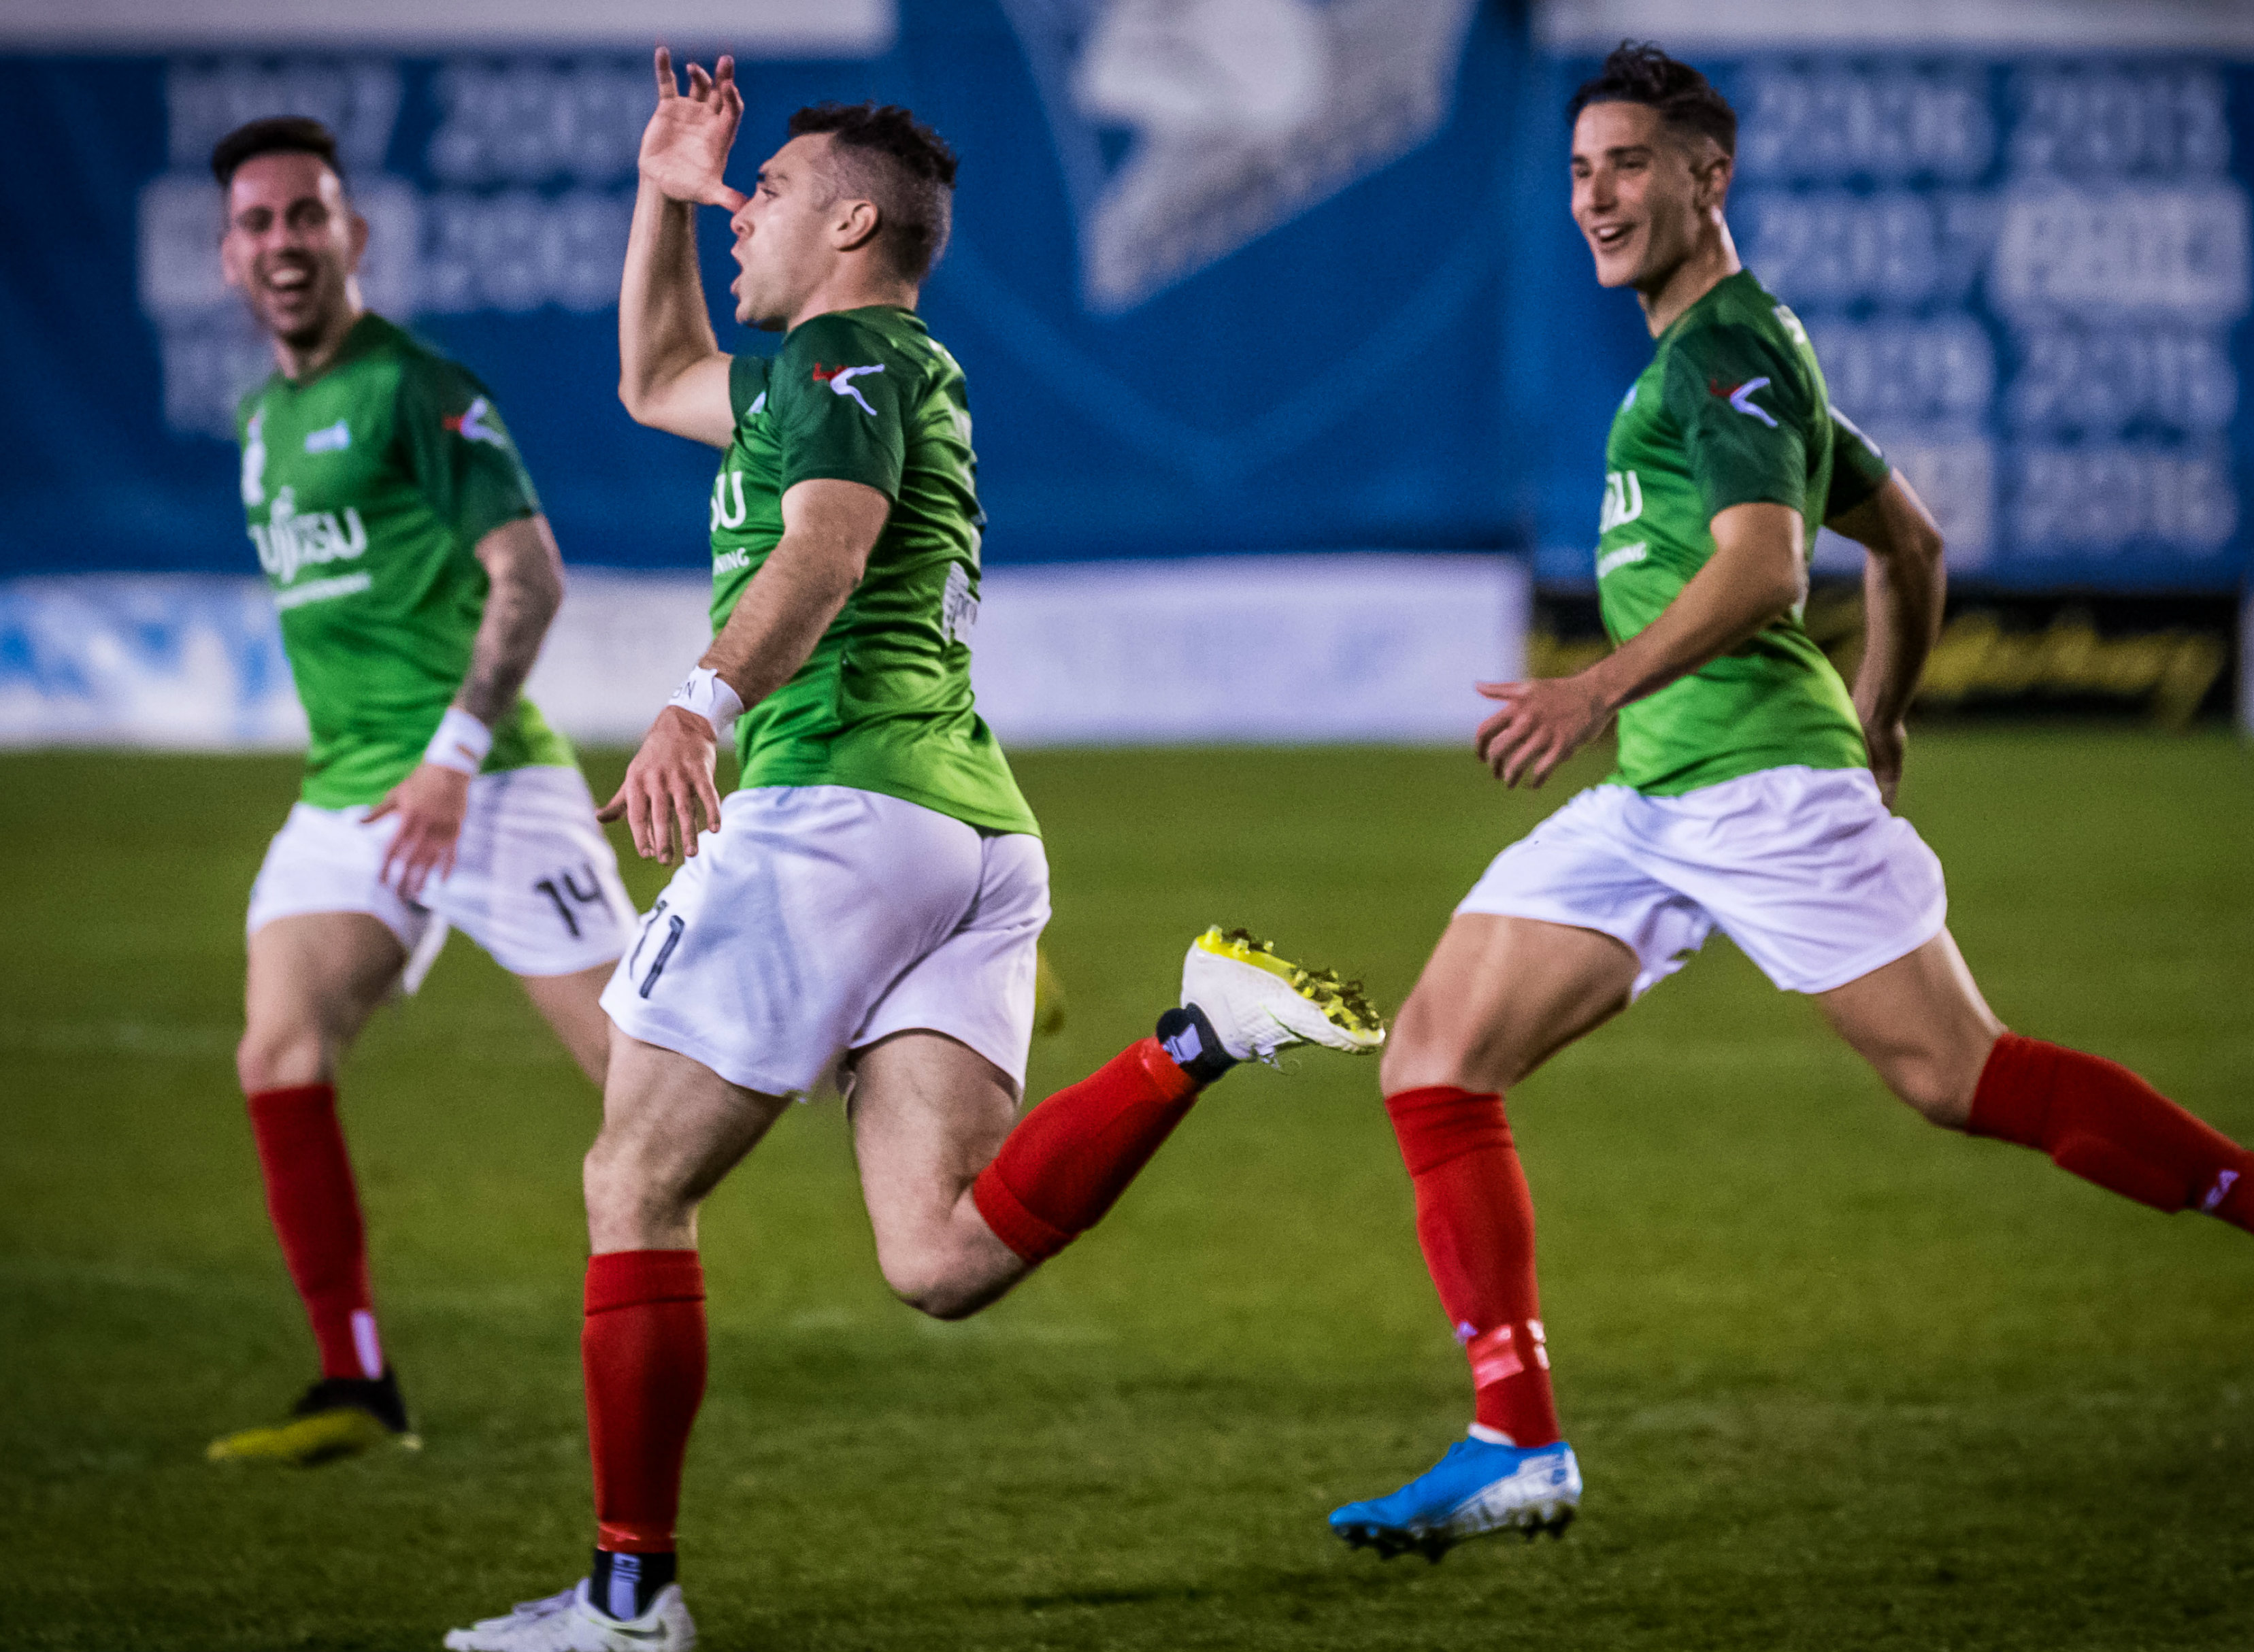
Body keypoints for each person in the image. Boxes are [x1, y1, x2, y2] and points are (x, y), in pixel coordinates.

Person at [1327, 43, 2254, 1562]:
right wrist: (1883, 708)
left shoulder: (1723, 352)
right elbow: (1909, 543)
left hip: (1752, 791)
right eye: (1579, 170)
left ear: (1706, 177)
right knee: (1434, 1058)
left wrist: (1594, 689)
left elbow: (1767, 566)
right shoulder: (1739, 348)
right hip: (1659, 800)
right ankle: (1515, 1438)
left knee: (1960, 1078)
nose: (1595, 197)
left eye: (1628, 164)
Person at [446, 54, 1382, 1651]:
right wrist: (659, 196)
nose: (743, 211)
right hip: (969, 833)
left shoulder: (838, 363)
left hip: (834, 811)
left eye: (769, 191)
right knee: (939, 1252)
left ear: (852, 225)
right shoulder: (855, 370)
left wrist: (694, 706)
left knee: (631, 1176)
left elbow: (824, 547)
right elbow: (654, 376)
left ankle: (627, 1598)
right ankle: (1196, 1034)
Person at [207, 117, 633, 1468]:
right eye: (258, 222)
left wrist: (450, 754)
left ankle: (902, 977)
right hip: (353, 801)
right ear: (227, 255)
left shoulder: (416, 385)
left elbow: (531, 575)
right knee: (277, 1051)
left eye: (306, 216)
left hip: (485, 782)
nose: (284, 243)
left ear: (354, 235)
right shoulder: (261, 420)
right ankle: (356, 1382)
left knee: (651, 1078)